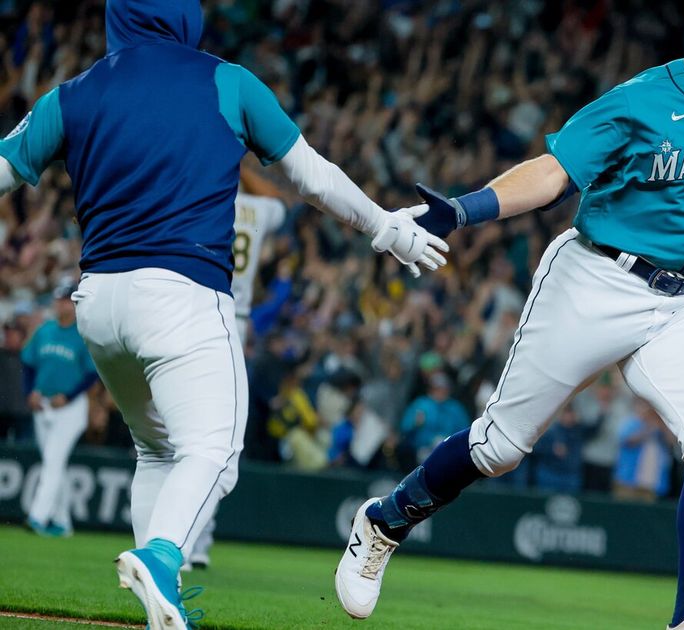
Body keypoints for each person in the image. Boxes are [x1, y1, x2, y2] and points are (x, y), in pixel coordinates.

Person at [334, 1, 684, 628]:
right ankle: (384, 522)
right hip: (597, 279)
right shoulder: (641, 100)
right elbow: (552, 174)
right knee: (500, 448)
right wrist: (464, 210)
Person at [0, 0, 447, 626]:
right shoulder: (227, 80)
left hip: (99, 304)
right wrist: (385, 228)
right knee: (216, 450)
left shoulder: (70, 94)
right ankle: (159, 558)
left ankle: (165, 598)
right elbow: (311, 178)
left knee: (157, 452)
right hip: (181, 296)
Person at [187, 168, 289, 571]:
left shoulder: (204, 196)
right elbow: (283, 205)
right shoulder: (258, 208)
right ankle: (199, 541)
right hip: (235, 319)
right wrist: (243, 164)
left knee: (191, 433)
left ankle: (185, 537)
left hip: (197, 308)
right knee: (219, 436)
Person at [20, 283, 97, 537]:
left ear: (75, 305)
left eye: (66, 301)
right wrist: (29, 391)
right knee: (55, 463)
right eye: (59, 300)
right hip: (43, 406)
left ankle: (37, 516)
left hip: (71, 408)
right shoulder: (46, 330)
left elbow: (91, 374)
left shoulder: (82, 334)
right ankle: (63, 522)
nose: (61, 304)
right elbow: (29, 363)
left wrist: (69, 395)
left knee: (53, 460)